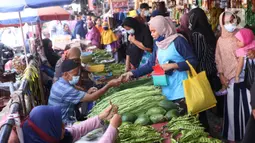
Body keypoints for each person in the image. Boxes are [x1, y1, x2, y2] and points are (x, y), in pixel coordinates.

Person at [121, 16, 197, 112]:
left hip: (183, 90)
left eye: (154, 31)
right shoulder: (158, 44)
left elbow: (193, 61)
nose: (152, 34)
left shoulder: (178, 41)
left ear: (162, 28)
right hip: (167, 91)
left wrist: (174, 65)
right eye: (151, 31)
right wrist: (132, 73)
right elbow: (150, 65)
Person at [48, 59, 121, 125]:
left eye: (78, 74)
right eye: (75, 75)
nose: (78, 77)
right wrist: (109, 85)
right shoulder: (66, 89)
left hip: (59, 119)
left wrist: (86, 92)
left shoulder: (59, 83)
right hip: (63, 124)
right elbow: (92, 98)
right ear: (66, 74)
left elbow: (76, 92)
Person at [215, 11, 251, 142]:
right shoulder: (220, 40)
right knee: (232, 108)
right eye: (228, 21)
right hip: (229, 80)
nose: (231, 24)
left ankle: (248, 135)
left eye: (233, 20)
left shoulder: (241, 35)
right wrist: (221, 75)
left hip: (245, 77)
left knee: (247, 106)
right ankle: (234, 135)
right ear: (222, 23)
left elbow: (250, 50)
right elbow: (218, 59)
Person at [188, 7, 222, 131]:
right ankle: (220, 119)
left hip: (203, 68)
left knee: (205, 96)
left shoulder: (196, 33)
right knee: (215, 93)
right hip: (212, 66)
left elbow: (199, 53)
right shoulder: (207, 29)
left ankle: (211, 126)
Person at [22, 105, 121, 143]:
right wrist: (112, 128)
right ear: (49, 131)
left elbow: (74, 131)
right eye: (59, 126)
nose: (64, 126)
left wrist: (100, 118)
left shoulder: (48, 137)